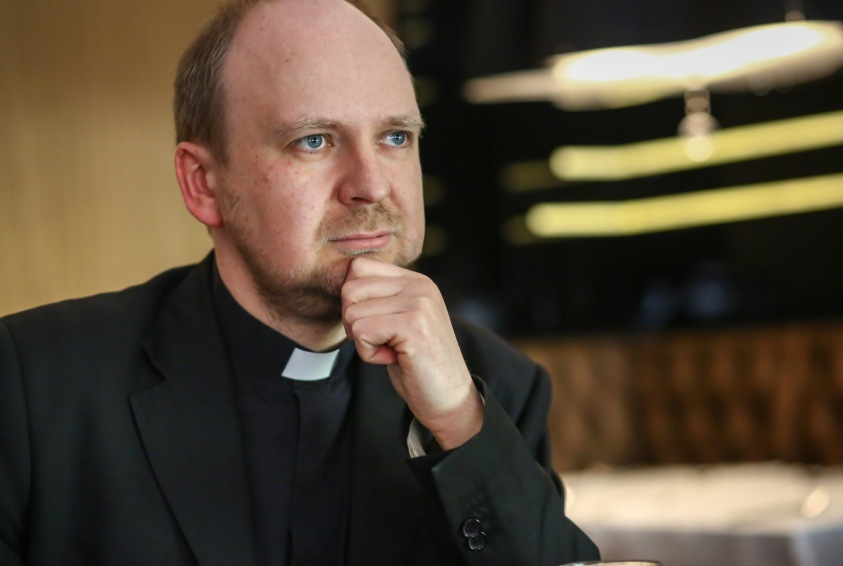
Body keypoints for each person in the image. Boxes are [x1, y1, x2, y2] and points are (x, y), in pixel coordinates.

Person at [0, 0, 599, 564]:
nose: (371, 185)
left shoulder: (496, 388)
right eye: (313, 141)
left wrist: (460, 425)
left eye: (396, 137)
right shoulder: (32, 385)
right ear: (204, 183)